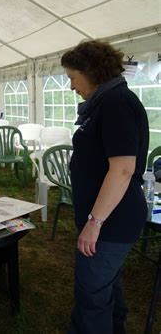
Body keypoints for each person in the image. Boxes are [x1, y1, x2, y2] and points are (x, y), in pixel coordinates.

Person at [61, 40, 149, 334]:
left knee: (92, 295)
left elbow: (123, 169)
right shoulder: (106, 101)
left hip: (112, 220)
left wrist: (94, 222)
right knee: (105, 285)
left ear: (91, 71)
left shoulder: (116, 103)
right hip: (108, 219)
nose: (71, 85)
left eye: (73, 77)